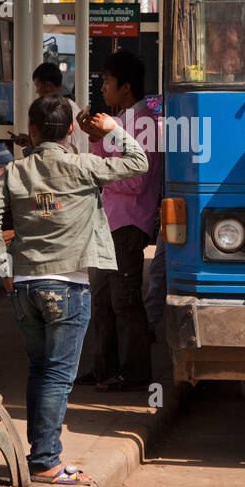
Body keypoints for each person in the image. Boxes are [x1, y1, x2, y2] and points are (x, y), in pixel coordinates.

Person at [0, 94, 148, 484]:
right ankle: (46, 461)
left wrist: (5, 266)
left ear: (32, 130)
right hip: (68, 286)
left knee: (40, 370)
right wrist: (112, 130)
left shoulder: (16, 172)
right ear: (72, 128)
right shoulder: (84, 166)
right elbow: (138, 163)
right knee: (57, 376)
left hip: (24, 287)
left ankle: (40, 453)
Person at [82, 50, 164, 391]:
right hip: (110, 222)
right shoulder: (123, 121)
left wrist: (101, 167)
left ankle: (134, 372)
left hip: (128, 223)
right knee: (101, 300)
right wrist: (96, 139)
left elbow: (136, 179)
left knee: (125, 301)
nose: (103, 88)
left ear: (125, 87)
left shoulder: (144, 123)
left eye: (108, 82)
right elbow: (107, 163)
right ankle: (104, 367)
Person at [11, 63, 91, 156]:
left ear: (48, 85)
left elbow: (59, 147)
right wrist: (31, 142)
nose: (37, 91)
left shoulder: (59, 109)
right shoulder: (68, 106)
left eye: (37, 86)